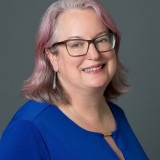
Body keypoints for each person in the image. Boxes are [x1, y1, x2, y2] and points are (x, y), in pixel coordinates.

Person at [0, 0, 148, 159]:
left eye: (102, 40)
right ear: (52, 57)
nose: (94, 55)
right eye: (76, 44)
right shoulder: (29, 128)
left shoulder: (116, 114)